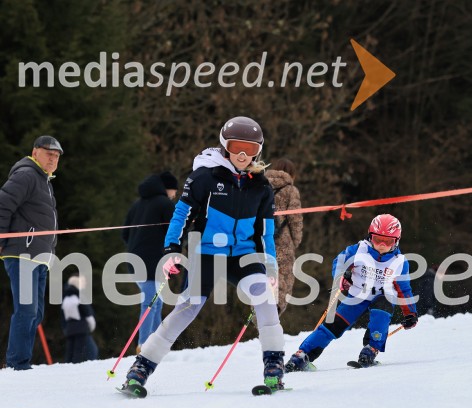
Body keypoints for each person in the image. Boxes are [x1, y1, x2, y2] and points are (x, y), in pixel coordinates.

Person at [122, 116, 289, 392]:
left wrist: (270, 266)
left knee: (264, 298)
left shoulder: (261, 186)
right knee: (188, 307)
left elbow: (265, 232)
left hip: (244, 255)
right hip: (208, 252)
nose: (243, 155)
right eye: (237, 147)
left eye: (249, 148)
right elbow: (182, 214)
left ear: (258, 151)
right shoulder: (205, 177)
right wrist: (171, 249)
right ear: (225, 146)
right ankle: (142, 366)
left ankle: (274, 364)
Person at [284, 214, 418, 371]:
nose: (382, 245)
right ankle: (302, 355)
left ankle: (370, 350)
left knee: (380, 316)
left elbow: (404, 290)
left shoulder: (400, 262)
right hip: (357, 296)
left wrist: (410, 313)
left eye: (388, 241)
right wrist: (341, 278)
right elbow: (339, 262)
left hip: (383, 296)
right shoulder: (359, 250)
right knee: (333, 325)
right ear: (370, 236)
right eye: (377, 239)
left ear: (396, 241)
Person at [0, 135, 62, 370]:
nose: (53, 159)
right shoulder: (27, 175)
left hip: (40, 256)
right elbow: (3, 204)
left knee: (36, 313)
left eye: (56, 157)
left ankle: (20, 361)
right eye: (49, 154)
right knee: (26, 310)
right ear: (35, 152)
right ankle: (18, 363)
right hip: (22, 253)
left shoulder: (44, 181)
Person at [122, 171, 178, 350]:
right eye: (174, 191)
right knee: (150, 302)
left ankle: (157, 342)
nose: (174, 196)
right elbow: (174, 234)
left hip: (133, 259)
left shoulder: (136, 205)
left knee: (156, 301)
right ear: (167, 189)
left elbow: (124, 233)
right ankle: (144, 344)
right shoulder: (165, 204)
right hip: (152, 261)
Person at [265, 159, 303, 314]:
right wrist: (295, 241)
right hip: (282, 241)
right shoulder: (290, 190)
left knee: (264, 276)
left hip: (260, 239)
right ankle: (273, 313)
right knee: (283, 279)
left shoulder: (259, 186)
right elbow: (296, 220)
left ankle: (259, 312)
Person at [60, 275, 98, 363]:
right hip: (82, 328)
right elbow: (88, 313)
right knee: (90, 351)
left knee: (70, 352)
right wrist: (91, 327)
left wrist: (65, 329)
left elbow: (63, 318)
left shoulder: (65, 299)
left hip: (70, 329)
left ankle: (67, 366)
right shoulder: (80, 297)